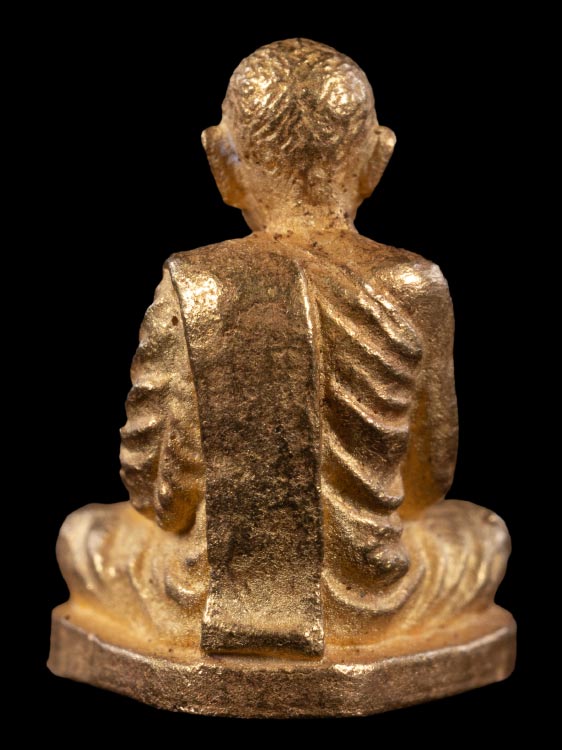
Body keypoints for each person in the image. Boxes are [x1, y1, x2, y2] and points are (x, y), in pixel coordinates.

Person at [56, 38, 510, 656]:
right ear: (378, 159)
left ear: (220, 161)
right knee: (482, 535)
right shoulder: (414, 284)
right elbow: (428, 483)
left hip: (198, 593)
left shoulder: (194, 283)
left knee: (85, 536)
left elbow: (155, 491)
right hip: (374, 594)